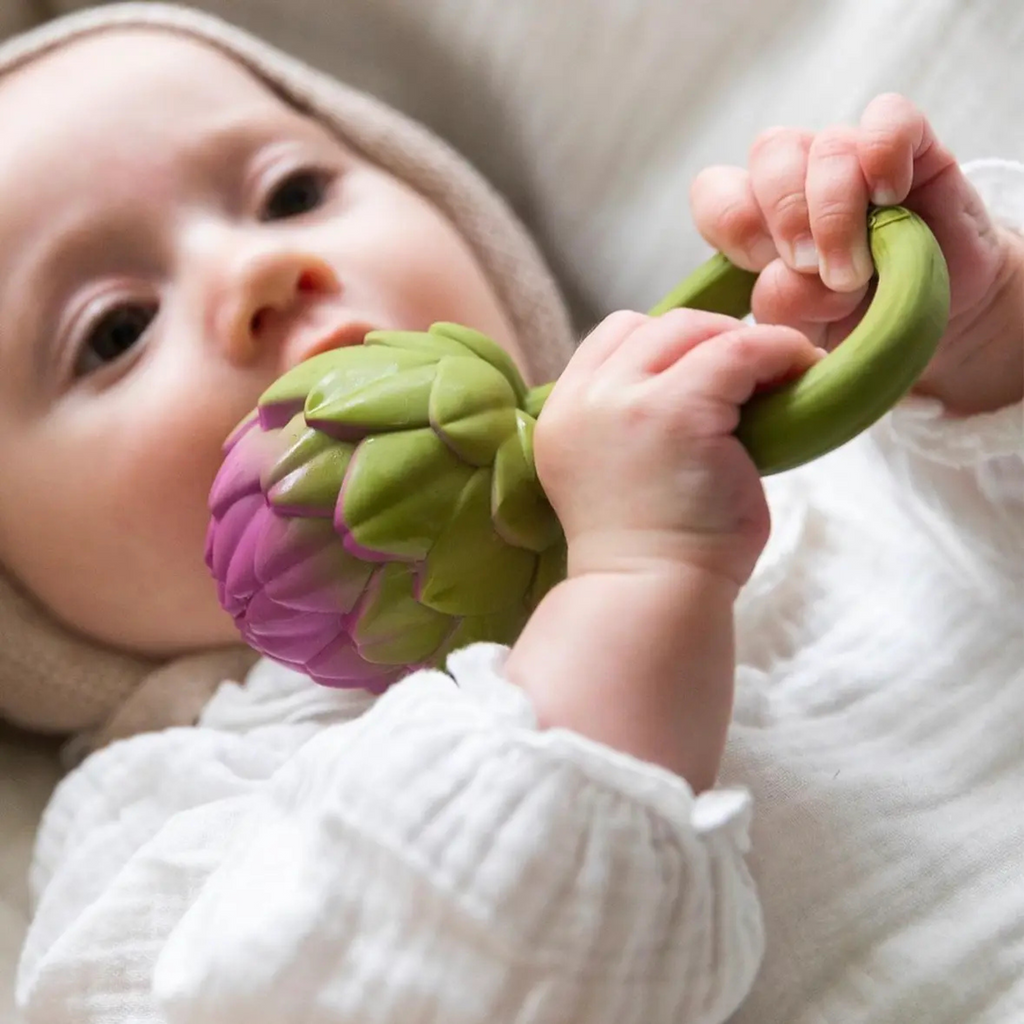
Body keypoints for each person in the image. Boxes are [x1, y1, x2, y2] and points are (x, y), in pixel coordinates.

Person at [2, 4, 1021, 1022]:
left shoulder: (773, 477)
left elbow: (988, 586)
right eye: (115, 330)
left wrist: (974, 347)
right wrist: (634, 587)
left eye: (291, 192)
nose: (261, 271)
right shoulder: (159, 819)